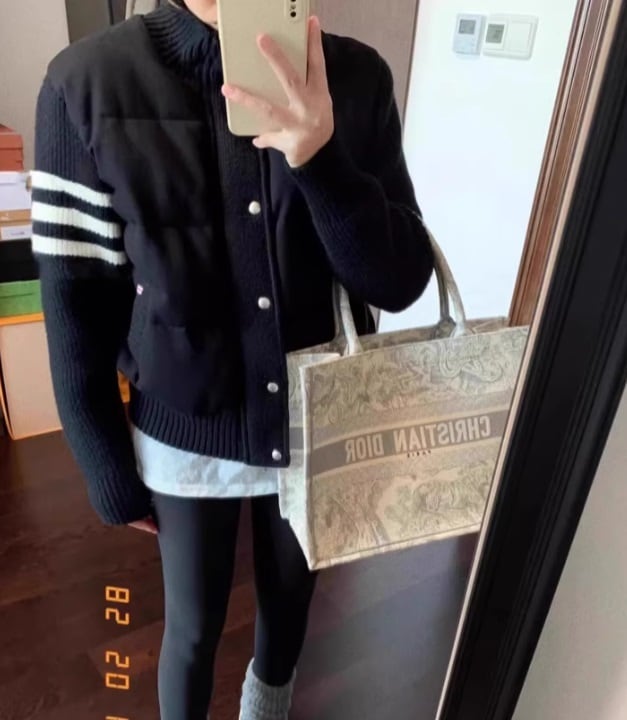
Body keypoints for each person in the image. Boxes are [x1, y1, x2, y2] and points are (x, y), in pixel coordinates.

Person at [31, 0, 434, 718]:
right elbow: (74, 296)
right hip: (184, 426)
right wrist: (102, 461)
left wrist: (320, 158)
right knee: (191, 628)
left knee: (289, 611)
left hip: (317, 423)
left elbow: (398, 283)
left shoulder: (357, 77)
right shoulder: (85, 82)